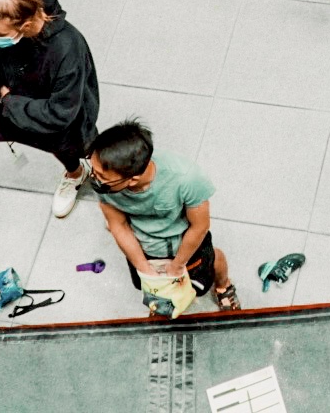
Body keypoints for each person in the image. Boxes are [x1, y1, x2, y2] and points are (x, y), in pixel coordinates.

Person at [0, 0, 100, 219]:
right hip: (24, 103)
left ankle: (88, 172)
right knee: (55, 146)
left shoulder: (67, 48)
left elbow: (61, 112)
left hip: (62, 114)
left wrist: (8, 100)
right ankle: (77, 172)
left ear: (27, 24)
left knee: (72, 143)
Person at [87, 119, 241, 312]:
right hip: (143, 245)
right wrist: (144, 269)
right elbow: (118, 225)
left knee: (209, 264)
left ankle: (223, 286)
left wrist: (178, 265)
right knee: (147, 285)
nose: (94, 178)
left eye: (102, 176)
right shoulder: (106, 183)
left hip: (184, 242)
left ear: (133, 179)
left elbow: (199, 226)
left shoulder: (187, 178)